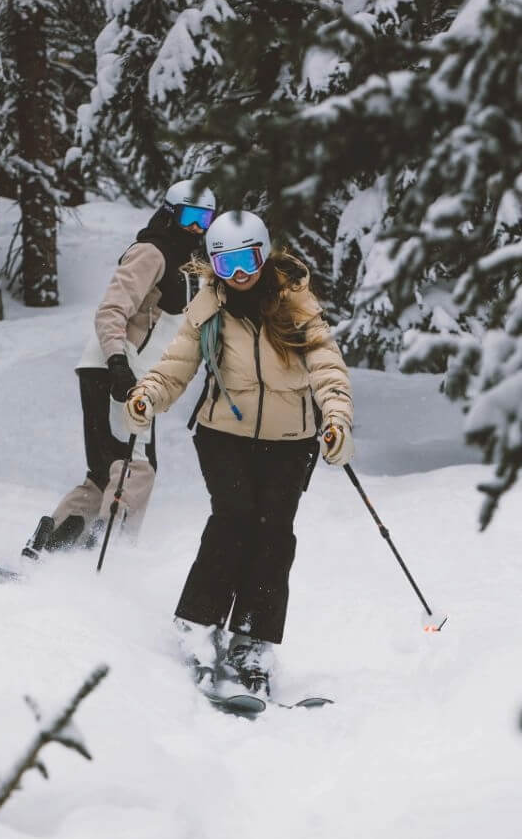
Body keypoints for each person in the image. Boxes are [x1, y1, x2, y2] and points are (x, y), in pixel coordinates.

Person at [122, 210, 353, 697]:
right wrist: (147, 396)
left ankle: (252, 638)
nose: (240, 273)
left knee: (274, 534)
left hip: (290, 442)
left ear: (264, 253)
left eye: (247, 259)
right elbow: (177, 365)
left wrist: (336, 418)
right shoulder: (208, 306)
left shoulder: (297, 305)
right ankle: (198, 625)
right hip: (223, 435)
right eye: (226, 265)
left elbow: (327, 365)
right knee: (234, 519)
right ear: (214, 267)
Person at [22, 180, 216, 558]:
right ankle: (109, 558)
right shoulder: (152, 252)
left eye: (204, 219)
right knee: (136, 467)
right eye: (190, 217)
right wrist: (117, 363)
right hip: (120, 373)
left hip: (124, 374)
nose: (197, 228)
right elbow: (112, 308)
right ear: (170, 213)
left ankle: (52, 551)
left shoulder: (188, 265)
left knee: (106, 470)